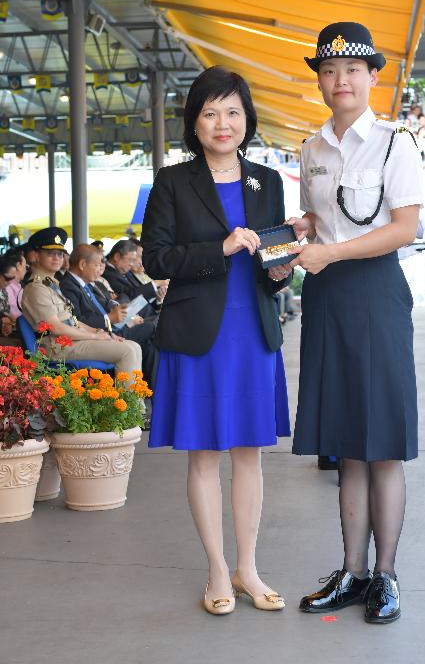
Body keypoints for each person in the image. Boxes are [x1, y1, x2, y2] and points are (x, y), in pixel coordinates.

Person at [141, 66, 291, 615]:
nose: (222, 123)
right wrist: (219, 250)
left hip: (252, 330)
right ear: (194, 123)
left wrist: (282, 267)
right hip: (197, 332)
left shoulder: (267, 181)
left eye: (232, 111)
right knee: (204, 455)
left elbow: (274, 261)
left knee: (250, 453)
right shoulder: (172, 182)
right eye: (210, 113)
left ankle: (248, 568)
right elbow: (155, 257)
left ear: (247, 118)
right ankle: (216, 572)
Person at [288, 22, 423, 624]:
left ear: (373, 76)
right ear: (319, 81)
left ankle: (387, 575)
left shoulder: (397, 144)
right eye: (328, 71)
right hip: (327, 297)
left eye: (351, 70)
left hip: (374, 294)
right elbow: (324, 220)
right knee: (347, 444)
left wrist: (331, 251)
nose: (339, 80)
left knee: (383, 445)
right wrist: (303, 233)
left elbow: (403, 228)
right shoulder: (310, 149)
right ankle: (352, 571)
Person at [21, 227, 142, 377]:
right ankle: (129, 400)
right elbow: (56, 327)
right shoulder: (35, 289)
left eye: (60, 254)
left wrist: (101, 332)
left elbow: (72, 320)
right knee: (127, 351)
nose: (57, 258)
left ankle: (134, 398)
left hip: (72, 341)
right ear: (35, 255)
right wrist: (94, 336)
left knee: (133, 346)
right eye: (50, 254)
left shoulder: (52, 285)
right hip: (59, 347)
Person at [59, 244, 158, 388]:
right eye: (97, 264)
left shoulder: (88, 284)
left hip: (112, 328)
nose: (100, 269)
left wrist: (120, 311)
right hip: (102, 332)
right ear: (82, 264)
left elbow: (106, 304)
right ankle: (133, 399)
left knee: (152, 346)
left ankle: (153, 390)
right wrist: (109, 319)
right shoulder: (68, 285)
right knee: (153, 328)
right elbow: (76, 320)